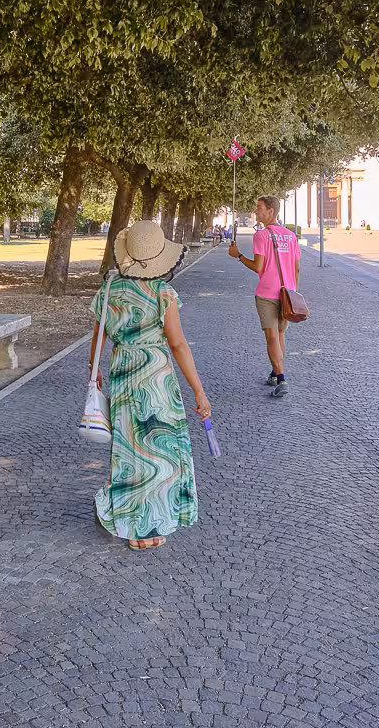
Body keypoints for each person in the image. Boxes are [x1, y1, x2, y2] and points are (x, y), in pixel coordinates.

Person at [91, 221, 212, 551]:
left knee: (129, 448)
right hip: (157, 374)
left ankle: (130, 520)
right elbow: (178, 345)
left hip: (122, 370)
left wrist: (94, 370)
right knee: (159, 450)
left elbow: (98, 335)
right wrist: (199, 391)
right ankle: (153, 522)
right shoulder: (163, 293)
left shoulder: (110, 289)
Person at [227, 194, 301, 396]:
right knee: (280, 334)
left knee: (271, 337)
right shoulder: (290, 235)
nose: (256, 210)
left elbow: (257, 267)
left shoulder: (261, 235)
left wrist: (239, 256)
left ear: (271, 211)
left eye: (259, 207)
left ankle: (282, 379)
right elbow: (297, 268)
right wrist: (293, 291)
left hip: (267, 293)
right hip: (287, 293)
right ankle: (276, 373)